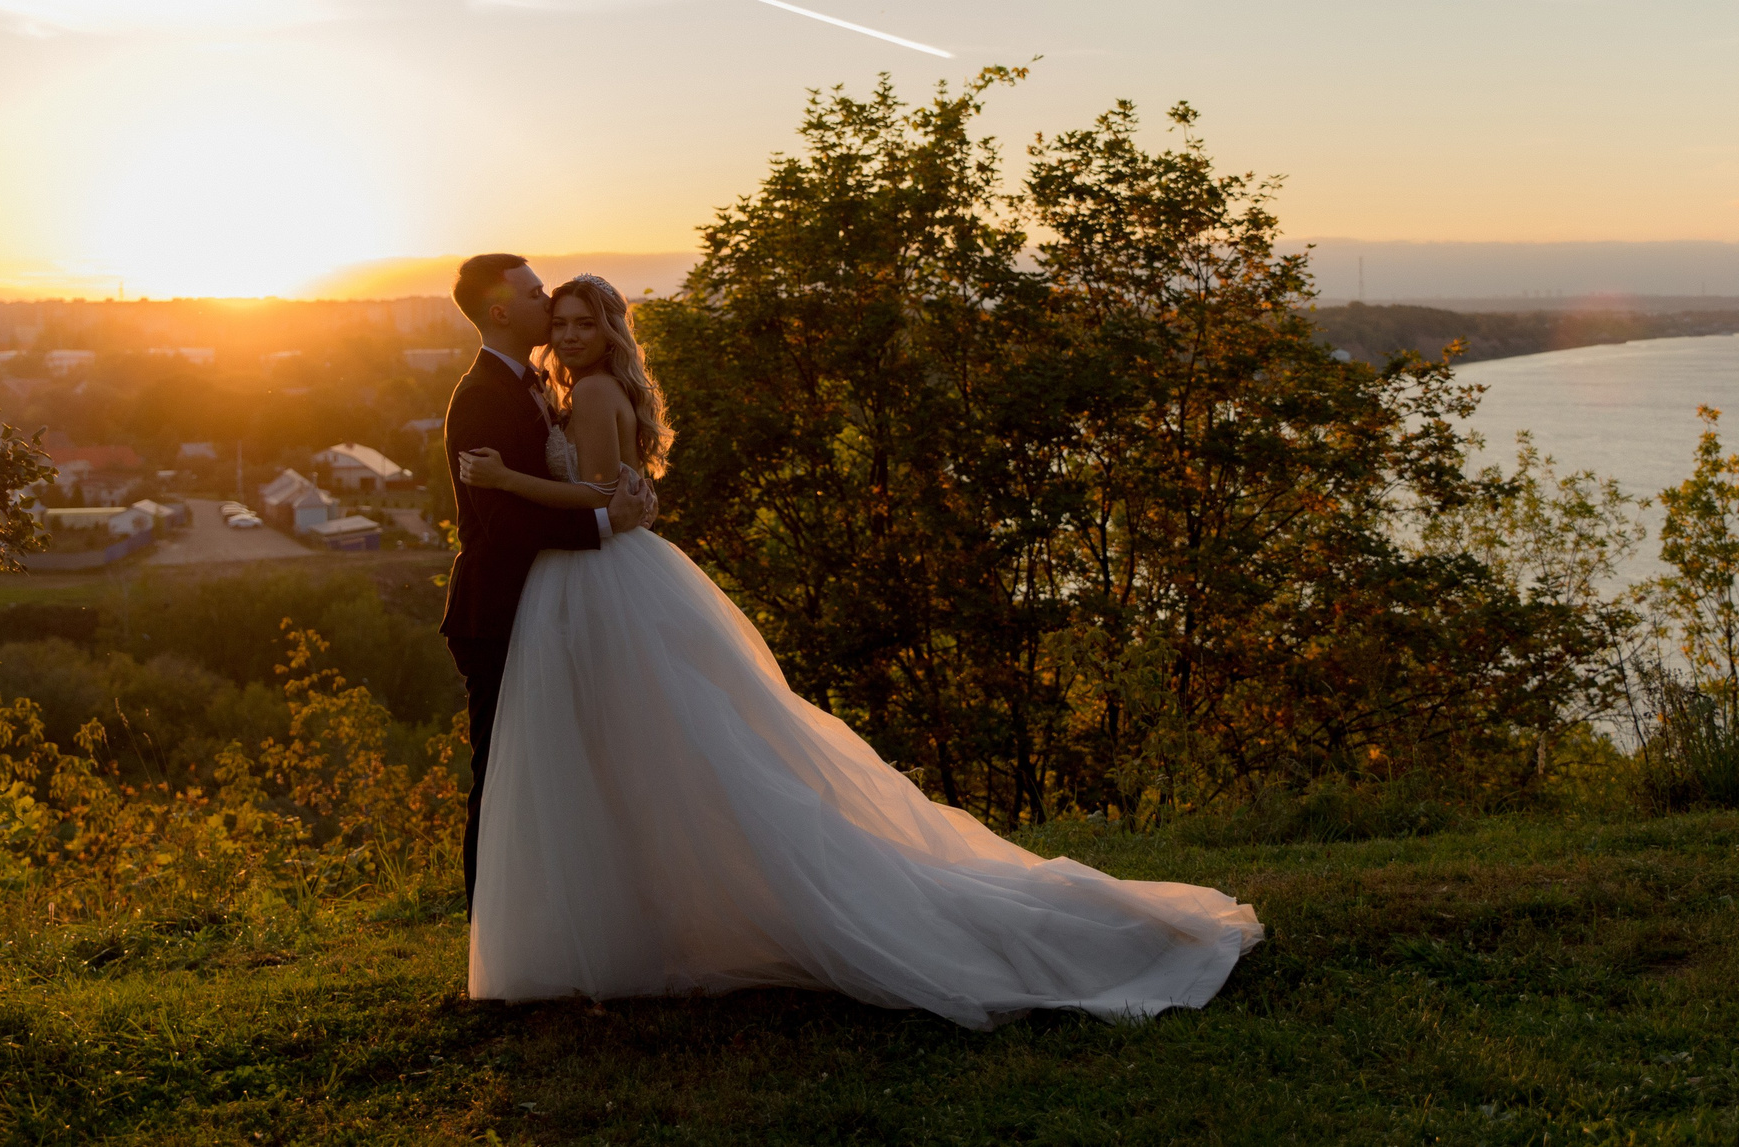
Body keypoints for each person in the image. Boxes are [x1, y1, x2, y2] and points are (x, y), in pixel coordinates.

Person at [455, 272, 1262, 1028]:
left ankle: (647, 918)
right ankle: (643, 912)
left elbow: (601, 498)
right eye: (555, 320)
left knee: (662, 755)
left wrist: (507, 481)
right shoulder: (571, 388)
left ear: (609, 329)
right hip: (600, 581)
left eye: (579, 321)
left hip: (602, 586)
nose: (563, 332)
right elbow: (618, 492)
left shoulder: (591, 391)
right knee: (665, 754)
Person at [440, 253, 655, 913]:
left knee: (563, 762)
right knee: (500, 774)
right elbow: (501, 524)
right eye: (538, 297)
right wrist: (601, 521)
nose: (548, 306)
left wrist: (619, 497)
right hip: (497, 610)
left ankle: (565, 911)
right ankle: (491, 930)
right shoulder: (481, 397)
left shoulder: (542, 382)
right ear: (501, 310)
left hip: (550, 599)